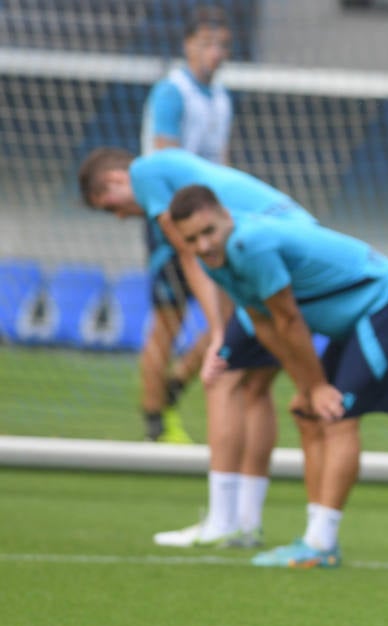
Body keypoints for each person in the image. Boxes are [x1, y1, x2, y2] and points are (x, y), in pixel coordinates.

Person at [168, 184, 388, 569]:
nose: (204, 245)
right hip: (355, 321)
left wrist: (317, 386)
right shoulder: (214, 259)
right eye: (192, 240)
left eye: (209, 232)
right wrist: (307, 389)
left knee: (336, 415)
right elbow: (263, 322)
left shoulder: (250, 244)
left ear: (225, 215)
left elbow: (288, 318)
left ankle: (322, 544)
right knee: (308, 413)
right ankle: (314, 539)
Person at [78, 147, 312, 549]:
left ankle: (222, 521)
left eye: (109, 205)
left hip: (273, 254)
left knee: (222, 381)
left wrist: (218, 331)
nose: (118, 216)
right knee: (255, 390)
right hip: (299, 246)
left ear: (117, 180)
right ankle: (246, 523)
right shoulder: (182, 171)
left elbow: (193, 254)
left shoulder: (147, 172)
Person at [137, 4, 235, 443]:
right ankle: (155, 421)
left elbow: (223, 166)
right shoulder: (172, 93)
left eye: (223, 45)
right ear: (188, 46)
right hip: (170, 221)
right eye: (208, 43)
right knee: (169, 320)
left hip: (209, 221)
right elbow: (165, 156)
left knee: (231, 314)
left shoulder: (222, 99)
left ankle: (176, 383)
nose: (216, 53)